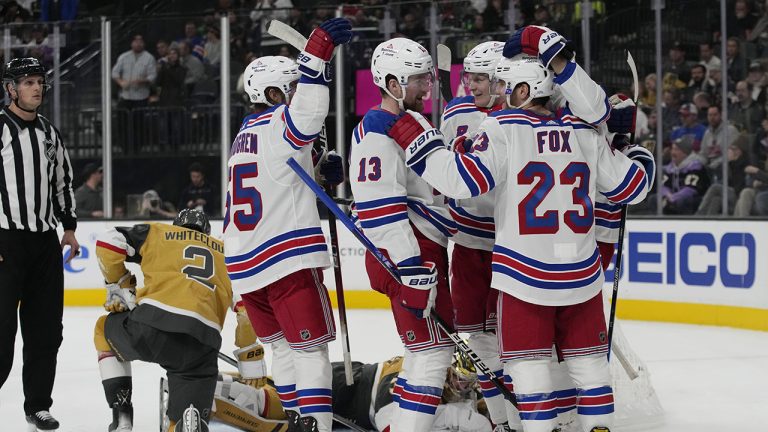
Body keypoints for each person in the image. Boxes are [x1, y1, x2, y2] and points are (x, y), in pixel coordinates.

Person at [384, 25, 654, 431]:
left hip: (523, 278)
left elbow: (461, 182)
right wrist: (632, 152)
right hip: (581, 276)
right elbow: (631, 187)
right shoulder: (584, 132)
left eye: (508, 87)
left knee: (530, 378)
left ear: (525, 91)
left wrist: (411, 134)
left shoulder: (503, 128)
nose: (502, 94)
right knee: (591, 373)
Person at [223, 17, 351, 432]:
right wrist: (316, 56)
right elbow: (311, 110)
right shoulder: (281, 125)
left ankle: (297, 420)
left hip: (246, 263)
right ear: (275, 93)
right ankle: (314, 425)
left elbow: (278, 175)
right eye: (290, 89)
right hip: (286, 256)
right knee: (311, 350)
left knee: (283, 347)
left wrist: (314, 168)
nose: (296, 96)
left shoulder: (245, 133)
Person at [349, 37, 457, 432]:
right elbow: (381, 208)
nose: (427, 86)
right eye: (417, 80)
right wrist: (410, 267)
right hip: (407, 253)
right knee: (431, 353)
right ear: (392, 85)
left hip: (421, 249)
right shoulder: (378, 130)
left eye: (428, 78)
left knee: (426, 352)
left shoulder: (406, 122)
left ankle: (400, 422)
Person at [92, 209, 233, 432]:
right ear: (207, 232)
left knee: (103, 330)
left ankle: (122, 416)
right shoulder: (227, 252)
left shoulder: (159, 232)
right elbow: (246, 309)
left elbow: (108, 243)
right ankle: (186, 417)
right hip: (201, 346)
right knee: (185, 421)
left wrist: (118, 283)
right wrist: (251, 356)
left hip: (151, 327)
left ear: (176, 224)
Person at [439, 40, 515, 432]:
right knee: (476, 338)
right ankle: (503, 422)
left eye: (481, 78)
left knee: (516, 340)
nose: (471, 84)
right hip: (469, 243)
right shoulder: (454, 112)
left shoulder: (520, 114)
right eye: (468, 76)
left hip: (511, 244)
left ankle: (531, 417)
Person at [0, 57, 80, 432]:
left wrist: (69, 226)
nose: (36, 88)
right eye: (27, 81)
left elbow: (62, 182)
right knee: (1, 336)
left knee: (46, 332)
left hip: (45, 246)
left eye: (39, 82)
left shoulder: (50, 132)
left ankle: (37, 406)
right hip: (5, 243)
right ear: (10, 88)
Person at [111, 34, 157, 109]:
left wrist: (142, 81)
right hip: (126, 96)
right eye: (136, 42)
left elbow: (153, 76)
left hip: (141, 97)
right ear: (131, 43)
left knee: (139, 119)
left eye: (140, 42)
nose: (138, 44)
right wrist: (120, 82)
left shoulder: (149, 58)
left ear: (144, 44)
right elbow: (114, 72)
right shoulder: (124, 56)